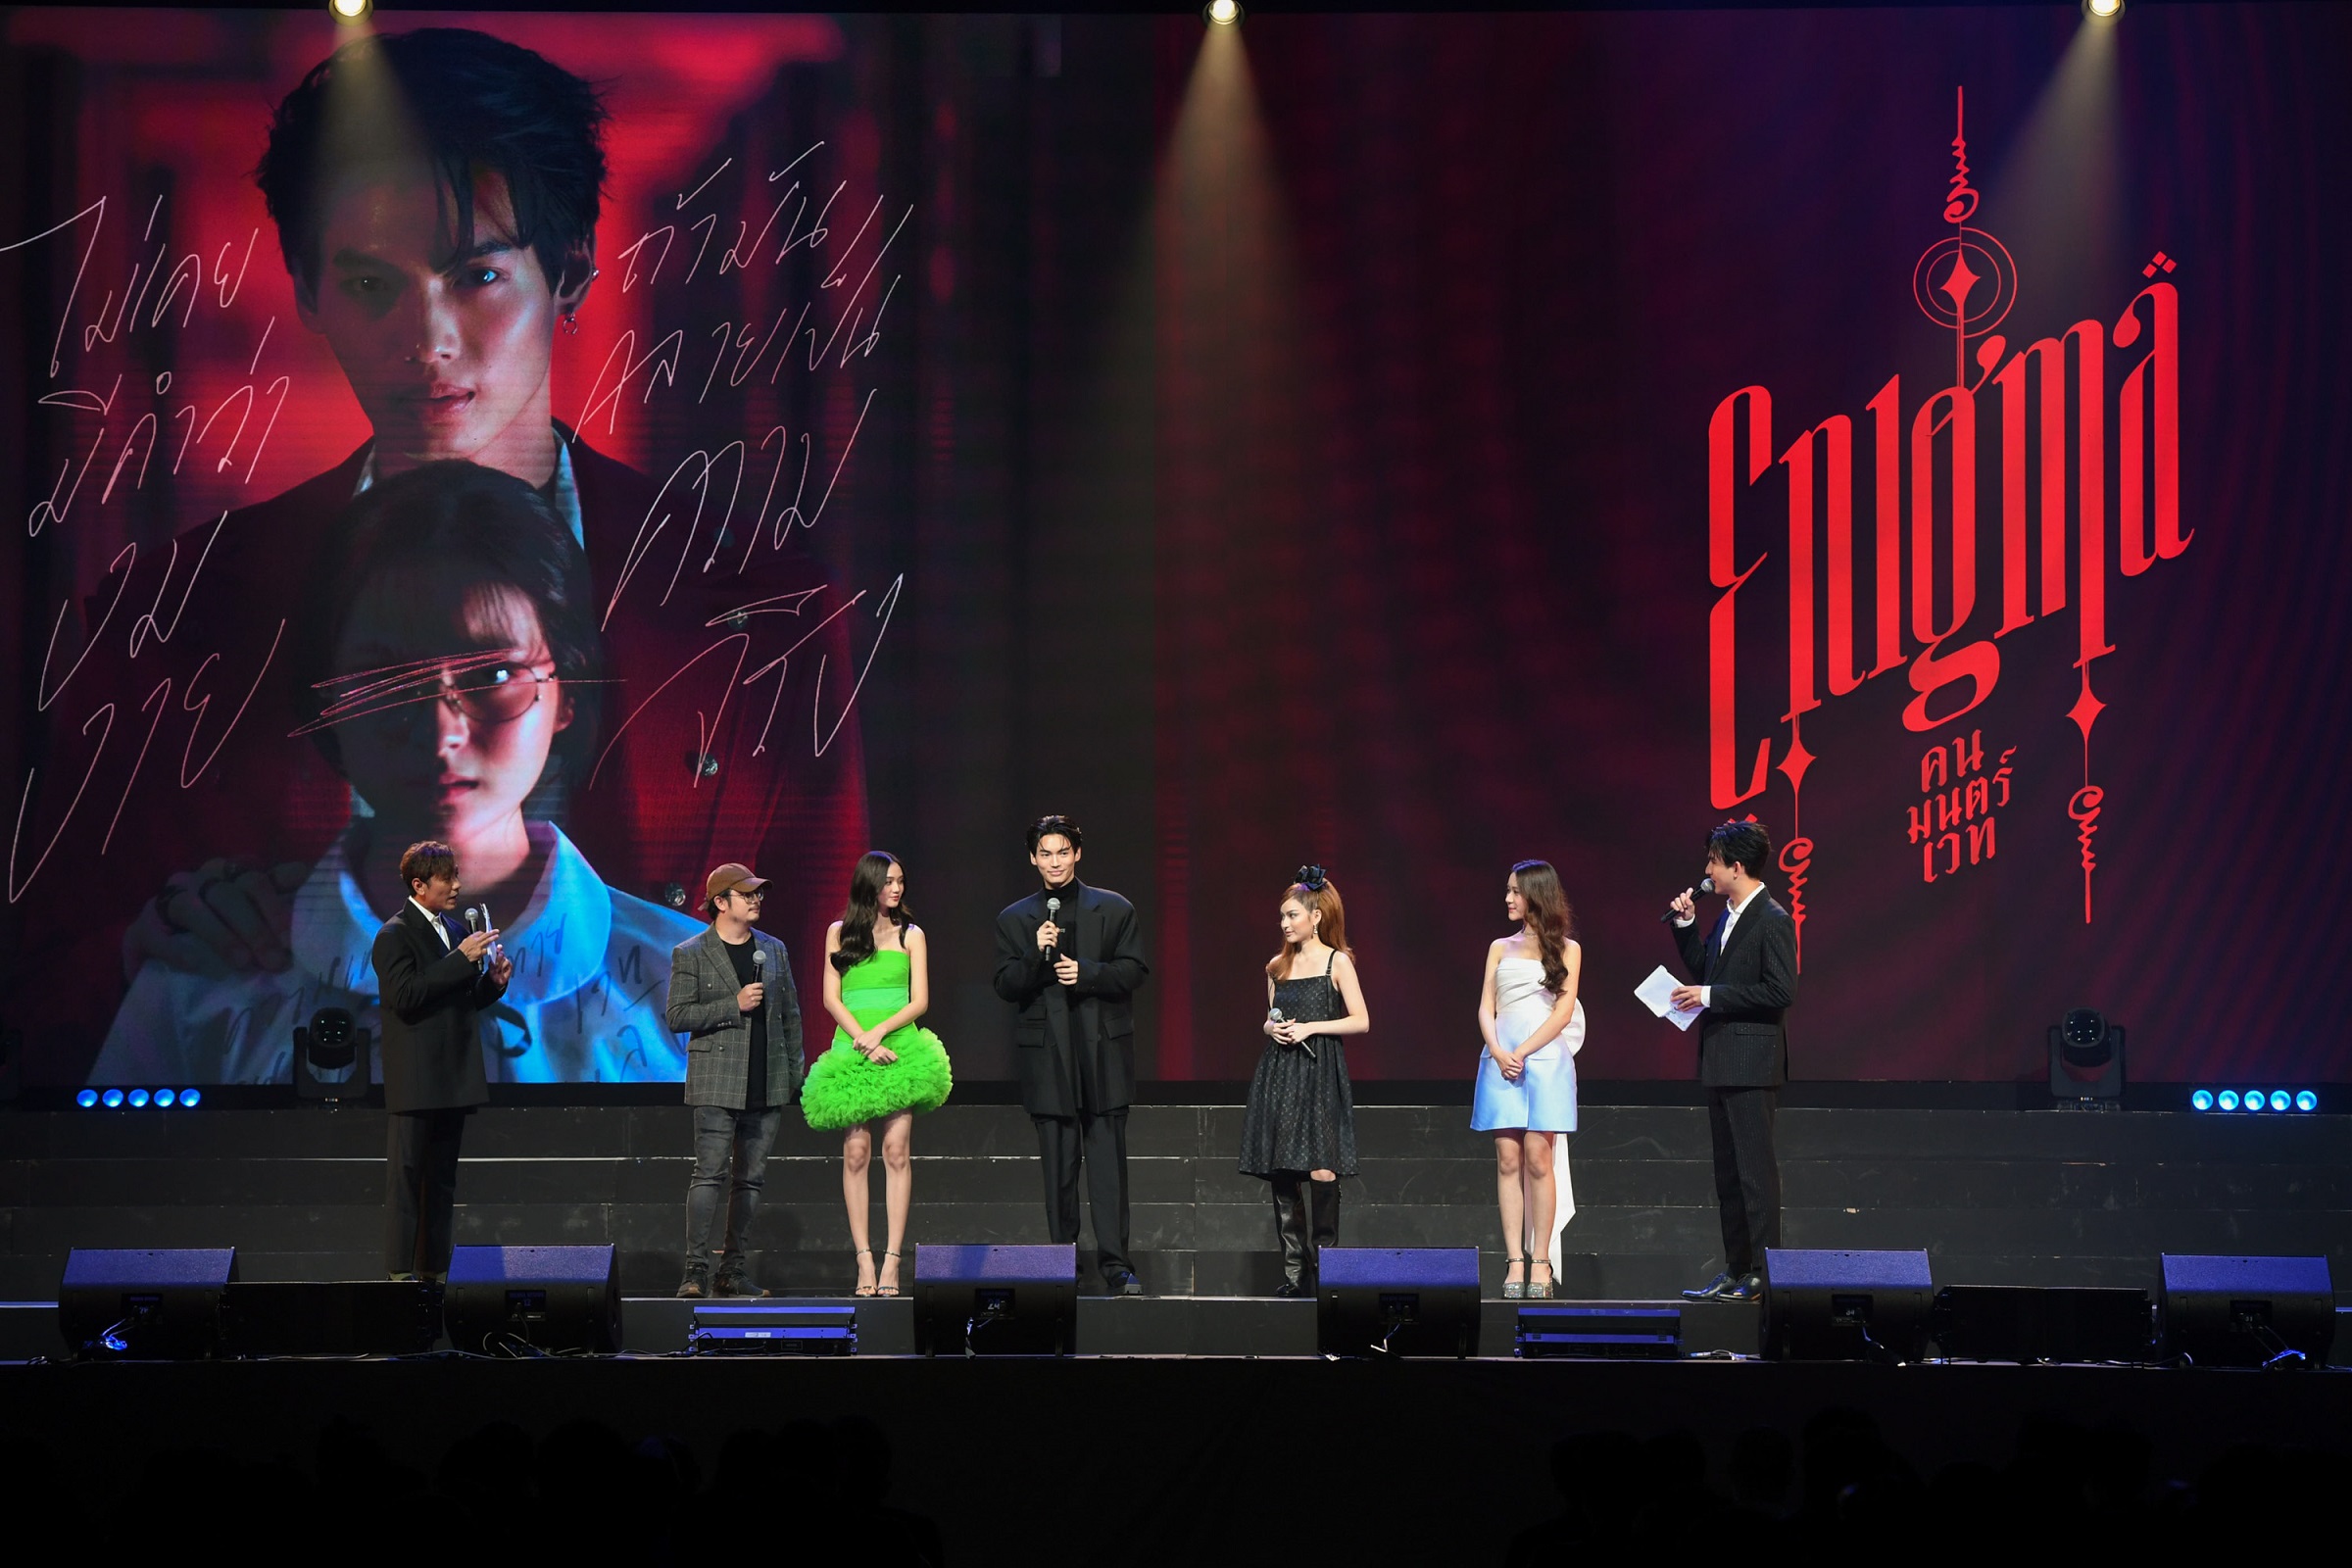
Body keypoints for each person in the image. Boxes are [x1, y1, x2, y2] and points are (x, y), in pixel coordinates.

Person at [34, 25, 865, 1077]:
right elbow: (43, 1015)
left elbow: (829, 1041)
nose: (424, 339)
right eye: (371, 285)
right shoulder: (171, 611)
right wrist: (149, 951)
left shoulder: (766, 616)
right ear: (306, 288)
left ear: (571, 270)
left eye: (475, 275)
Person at [89, 462, 701, 1085]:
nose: (440, 731)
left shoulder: (700, 992)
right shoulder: (196, 993)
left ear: (567, 691)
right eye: (385, 681)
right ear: (327, 699)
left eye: (492, 675)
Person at [992, 815, 1150, 1296]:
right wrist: (1034, 955)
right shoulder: (1016, 919)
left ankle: (1116, 1263)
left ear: (1077, 853)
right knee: (1058, 1171)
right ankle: (1063, 1261)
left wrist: (1088, 973)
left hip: (1103, 1054)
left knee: (1107, 1170)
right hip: (1048, 1058)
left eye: (1063, 852)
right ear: (1033, 859)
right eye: (1046, 854)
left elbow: (1134, 970)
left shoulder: (1114, 908)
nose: (1055, 862)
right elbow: (1005, 985)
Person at [805, 852, 954, 1297]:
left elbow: (919, 1000)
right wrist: (864, 1040)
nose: (896, 888)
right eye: (888, 881)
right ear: (868, 884)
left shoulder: (911, 934)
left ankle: (892, 1260)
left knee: (896, 1150)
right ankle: (863, 1260)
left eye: (900, 881)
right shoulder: (839, 933)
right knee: (856, 1152)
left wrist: (881, 1033)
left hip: (900, 1046)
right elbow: (831, 998)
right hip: (853, 1048)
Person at [1667, 819, 1797, 1302]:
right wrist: (1686, 927)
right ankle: (1736, 1267)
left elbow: (1781, 991)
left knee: (1755, 1174)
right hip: (1721, 1060)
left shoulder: (1773, 919)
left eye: (1713, 862)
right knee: (1728, 1175)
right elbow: (1708, 970)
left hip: (1752, 1063)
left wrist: (1710, 995)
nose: (1707, 871)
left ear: (1737, 867)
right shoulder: (1727, 916)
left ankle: (1762, 1272)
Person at [665, 862, 805, 1299]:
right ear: (721, 903)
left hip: (767, 1079)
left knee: (751, 1180)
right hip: (716, 1079)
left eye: (758, 893)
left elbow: (790, 1014)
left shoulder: (773, 950)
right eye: (747, 895)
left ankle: (733, 1270)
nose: (757, 900)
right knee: (709, 1175)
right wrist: (734, 1004)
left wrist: (794, 1072)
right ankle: (695, 1271)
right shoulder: (691, 952)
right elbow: (677, 1016)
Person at [374, 838, 512, 1281]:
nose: (456, 886)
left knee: (441, 1182)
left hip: (453, 1074)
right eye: (447, 878)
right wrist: (459, 960)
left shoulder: (454, 931)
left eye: (456, 877)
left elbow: (460, 1001)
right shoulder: (394, 934)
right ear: (419, 885)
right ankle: (400, 1274)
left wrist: (492, 984)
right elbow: (405, 996)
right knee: (406, 1181)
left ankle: (434, 1272)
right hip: (416, 1079)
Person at [1238, 867, 1369, 1296]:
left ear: (1316, 916)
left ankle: (1327, 1268)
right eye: (1282, 916)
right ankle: (1295, 1273)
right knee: (1284, 1170)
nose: (1284, 923)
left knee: (1323, 1167)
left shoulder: (1337, 962)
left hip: (1319, 1073)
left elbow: (1361, 1020)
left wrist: (1312, 1027)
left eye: (1292, 915)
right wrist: (1270, 1029)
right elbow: (1270, 1019)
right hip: (1280, 1073)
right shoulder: (1277, 966)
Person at [1470, 860, 1585, 1299]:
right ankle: (1514, 1259)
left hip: (1545, 1060)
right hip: (1500, 1060)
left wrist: (1522, 1051)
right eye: (1508, 890)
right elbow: (1486, 1006)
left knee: (1539, 1158)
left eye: (1515, 891)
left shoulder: (1568, 950)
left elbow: (1563, 1012)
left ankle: (1541, 1260)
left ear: (1537, 894)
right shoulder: (1499, 947)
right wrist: (1499, 1050)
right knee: (1507, 1159)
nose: (1508, 898)